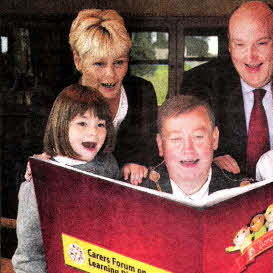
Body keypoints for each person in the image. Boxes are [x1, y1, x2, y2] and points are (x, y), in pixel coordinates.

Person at [27, 9, 158, 184]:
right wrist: (37, 161)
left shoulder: (143, 91)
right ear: (78, 61)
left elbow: (150, 153)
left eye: (119, 62)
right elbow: (33, 153)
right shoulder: (50, 96)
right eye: (99, 64)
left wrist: (137, 162)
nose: (111, 75)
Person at [12, 84, 120, 273]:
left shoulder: (109, 165)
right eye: (82, 123)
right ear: (61, 125)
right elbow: (28, 260)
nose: (93, 132)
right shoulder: (38, 183)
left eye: (101, 124)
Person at [179, 1, 273, 177]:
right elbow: (181, 149)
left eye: (261, 43)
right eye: (240, 45)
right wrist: (208, 160)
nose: (251, 56)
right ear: (229, 46)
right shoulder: (199, 82)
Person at [139, 95, 242, 199]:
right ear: (160, 144)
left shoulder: (244, 194)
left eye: (198, 137)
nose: (188, 150)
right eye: (176, 139)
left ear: (214, 139)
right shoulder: (134, 195)